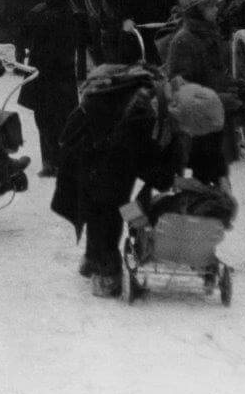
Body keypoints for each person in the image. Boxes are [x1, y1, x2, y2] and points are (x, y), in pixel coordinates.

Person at [53, 64, 224, 297]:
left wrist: (173, 175)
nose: (193, 135)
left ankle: (94, 258)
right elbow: (137, 165)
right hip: (92, 146)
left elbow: (160, 156)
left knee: (113, 201)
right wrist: (167, 181)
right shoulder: (143, 116)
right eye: (193, 130)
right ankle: (105, 270)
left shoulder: (172, 104)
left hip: (111, 143)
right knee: (108, 204)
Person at [164, 0, 245, 190]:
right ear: (195, 11)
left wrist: (233, 86)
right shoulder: (184, 41)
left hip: (211, 119)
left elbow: (216, 71)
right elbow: (182, 89)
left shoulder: (209, 33)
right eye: (209, 6)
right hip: (197, 126)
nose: (216, 9)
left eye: (214, 4)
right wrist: (222, 99)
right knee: (205, 175)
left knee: (214, 172)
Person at [18, 0, 86, 177]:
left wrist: (20, 58)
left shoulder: (38, 13)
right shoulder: (75, 16)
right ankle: (64, 160)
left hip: (40, 77)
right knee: (65, 120)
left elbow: (21, 38)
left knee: (44, 122)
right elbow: (84, 43)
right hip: (65, 79)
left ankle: (50, 161)